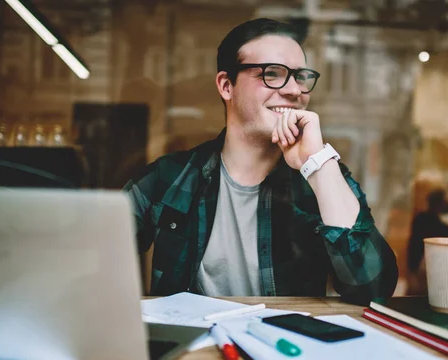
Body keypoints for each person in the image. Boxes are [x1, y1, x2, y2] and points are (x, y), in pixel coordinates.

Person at [123, 18, 398, 305]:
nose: (294, 90)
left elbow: (373, 290)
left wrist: (317, 164)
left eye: (300, 76)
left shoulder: (321, 176)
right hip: (194, 347)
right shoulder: (170, 177)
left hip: (283, 346)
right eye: (273, 74)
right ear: (226, 85)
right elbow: (90, 264)